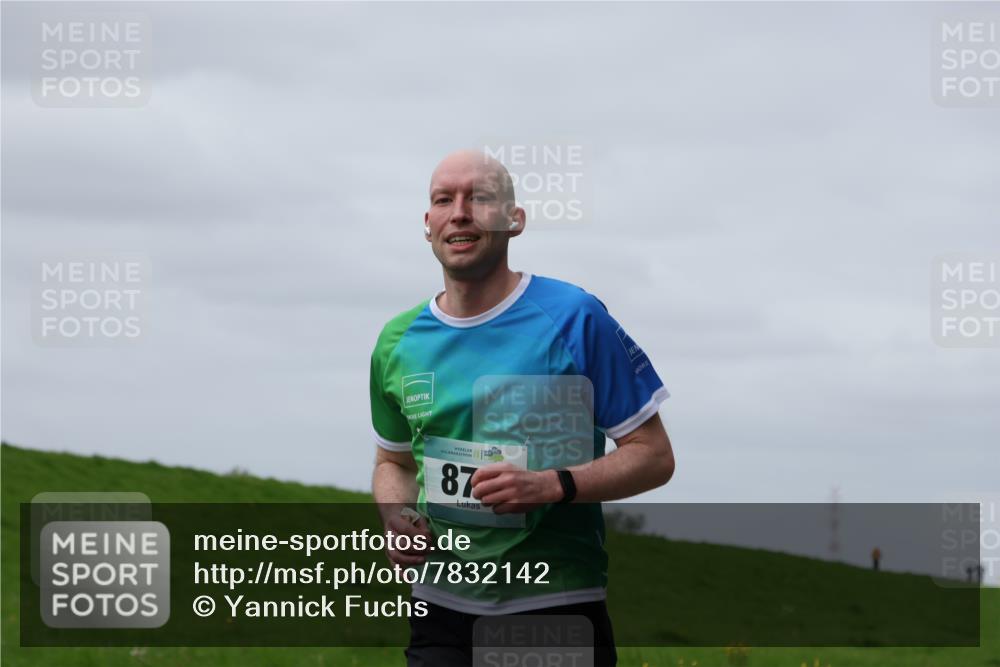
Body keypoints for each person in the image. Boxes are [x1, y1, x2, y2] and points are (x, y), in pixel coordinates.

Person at [370, 149, 676, 667]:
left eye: (479, 198)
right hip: (439, 609)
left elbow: (653, 456)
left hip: (553, 606)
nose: (460, 212)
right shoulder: (397, 342)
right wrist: (396, 515)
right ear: (428, 224)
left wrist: (553, 485)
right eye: (444, 200)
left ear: (515, 221)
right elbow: (392, 463)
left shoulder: (574, 317)